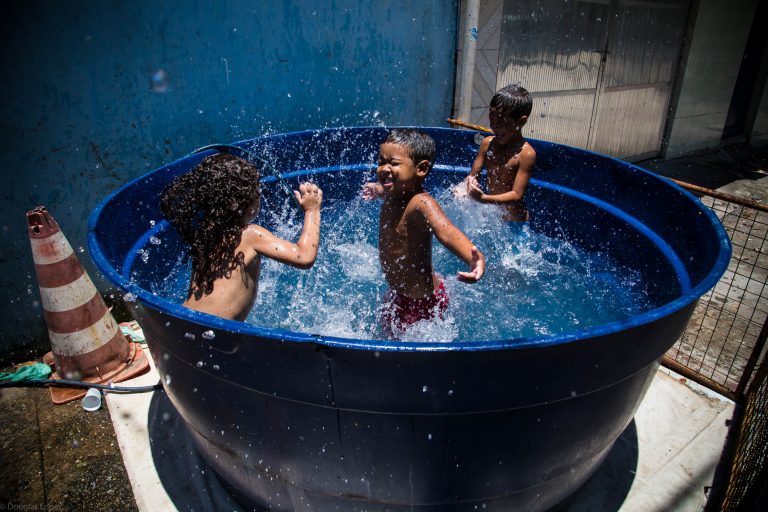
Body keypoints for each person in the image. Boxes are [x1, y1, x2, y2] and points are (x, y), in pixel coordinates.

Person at [160, 152, 322, 321]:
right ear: (242, 201)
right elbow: (304, 256)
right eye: (256, 190)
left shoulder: (204, 235)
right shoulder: (249, 234)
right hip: (218, 335)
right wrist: (312, 210)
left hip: (182, 322)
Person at [362, 129, 485, 337]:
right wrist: (378, 189)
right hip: (397, 294)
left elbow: (447, 232)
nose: (384, 168)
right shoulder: (395, 193)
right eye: (381, 162)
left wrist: (474, 257)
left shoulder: (422, 203)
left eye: (393, 163)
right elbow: (389, 189)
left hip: (422, 302)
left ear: (421, 168)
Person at [456, 84, 536, 221]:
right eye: (492, 120)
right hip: (493, 213)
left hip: (515, 221)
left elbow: (516, 195)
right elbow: (472, 175)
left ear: (521, 122)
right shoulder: (487, 144)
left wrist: (484, 199)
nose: (494, 126)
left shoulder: (526, 155)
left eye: (501, 121)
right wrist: (467, 186)